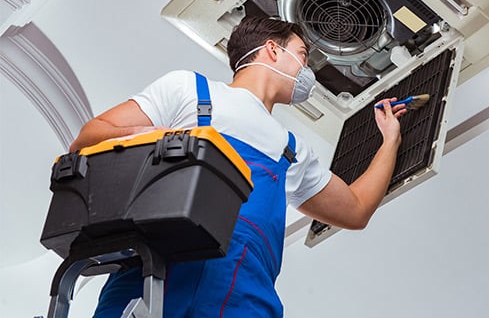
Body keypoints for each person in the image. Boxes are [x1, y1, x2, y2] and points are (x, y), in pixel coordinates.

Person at [70, 17, 407, 317]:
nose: (308, 72)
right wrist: (167, 138)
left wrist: (390, 140)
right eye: (303, 55)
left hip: (243, 297)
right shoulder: (189, 90)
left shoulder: (293, 151)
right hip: (152, 277)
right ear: (273, 50)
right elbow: (88, 139)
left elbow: (356, 210)